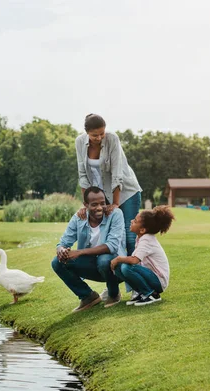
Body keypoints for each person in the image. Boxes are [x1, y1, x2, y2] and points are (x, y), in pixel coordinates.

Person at [74, 113, 142, 300]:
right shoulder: (80, 142)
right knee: (108, 241)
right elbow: (82, 174)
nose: (99, 137)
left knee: (129, 239)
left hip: (125, 192)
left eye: (102, 133)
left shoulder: (112, 139)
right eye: (95, 135)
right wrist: (88, 203)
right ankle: (113, 288)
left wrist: (115, 204)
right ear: (87, 132)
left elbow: (117, 173)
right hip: (101, 196)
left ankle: (136, 286)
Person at [51, 186, 126, 312]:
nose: (99, 208)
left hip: (115, 267)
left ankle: (114, 294)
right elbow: (63, 242)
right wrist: (61, 250)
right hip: (92, 265)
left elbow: (111, 246)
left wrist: (79, 252)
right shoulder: (79, 218)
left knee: (103, 260)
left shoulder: (115, 214)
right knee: (57, 262)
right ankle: (88, 296)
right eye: (94, 204)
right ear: (85, 205)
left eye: (102, 203)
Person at [110, 206, 175, 306]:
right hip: (150, 277)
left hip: (158, 281)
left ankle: (151, 294)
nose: (131, 221)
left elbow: (134, 260)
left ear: (142, 230)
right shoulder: (140, 238)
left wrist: (118, 258)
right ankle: (142, 293)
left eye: (135, 221)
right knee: (119, 268)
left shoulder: (147, 240)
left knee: (126, 267)